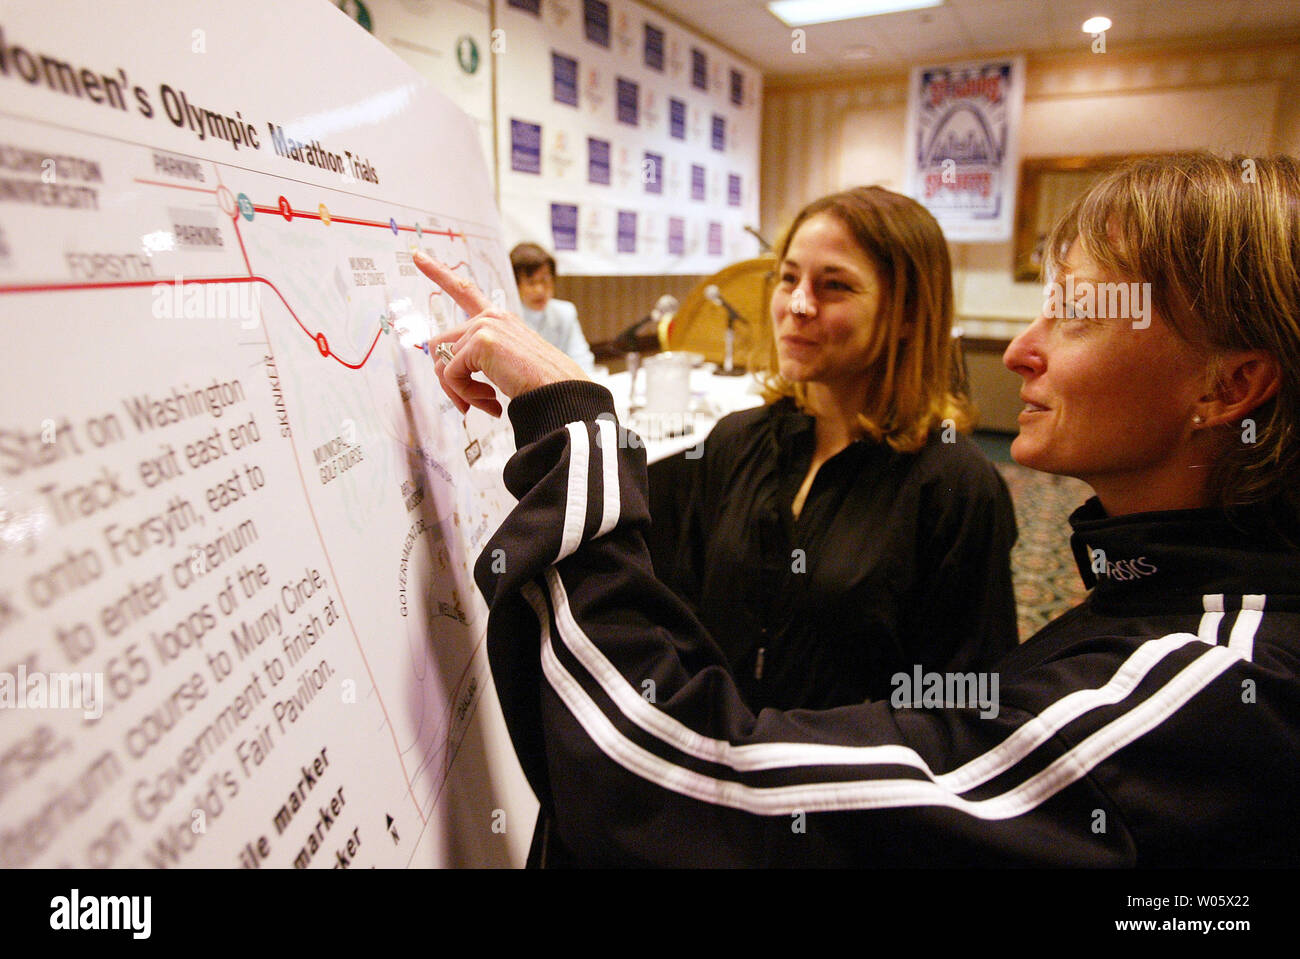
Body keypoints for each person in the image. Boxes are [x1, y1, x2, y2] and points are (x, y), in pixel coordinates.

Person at [415, 152, 1300, 866]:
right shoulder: (741, 444)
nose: (1024, 349)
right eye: (788, 277)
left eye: (1073, 313)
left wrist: (572, 430)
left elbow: (696, 784)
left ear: (1232, 387)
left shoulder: (1211, 689)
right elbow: (668, 625)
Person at [653, 187, 1018, 713]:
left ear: (909, 314)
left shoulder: (955, 486)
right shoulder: (734, 441)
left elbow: (964, 700)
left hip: (850, 786)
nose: (798, 305)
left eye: (835, 286)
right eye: (788, 278)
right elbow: (679, 617)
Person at [509, 242, 595, 372]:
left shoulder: (565, 312)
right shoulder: (505, 316)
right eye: (530, 282)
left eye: (544, 280)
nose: (539, 290)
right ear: (515, 285)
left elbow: (581, 359)